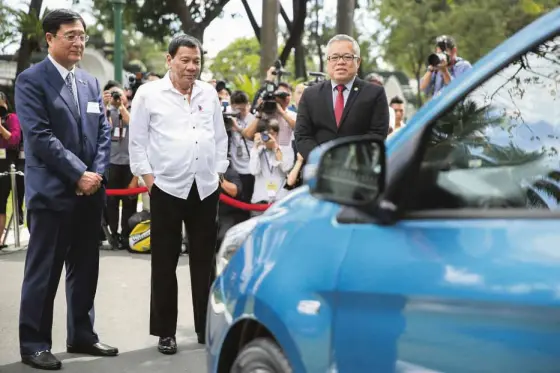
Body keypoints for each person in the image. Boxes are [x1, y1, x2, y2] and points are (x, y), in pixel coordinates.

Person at [14, 8, 117, 370]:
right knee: (44, 272)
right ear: (50, 39)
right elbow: (40, 137)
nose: (78, 42)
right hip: (52, 194)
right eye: (71, 35)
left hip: (90, 193)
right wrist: (78, 174)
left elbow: (102, 133)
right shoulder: (31, 80)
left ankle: (82, 335)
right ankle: (34, 344)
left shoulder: (89, 82)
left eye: (82, 35)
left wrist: (96, 174)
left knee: (86, 267)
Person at [129, 34, 228, 354]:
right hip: (167, 188)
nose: (191, 67)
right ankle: (165, 332)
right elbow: (138, 141)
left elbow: (220, 135)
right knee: (164, 261)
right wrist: (149, 179)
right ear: (169, 60)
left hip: (205, 187)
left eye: (196, 61)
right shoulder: (148, 94)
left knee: (204, 262)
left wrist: (219, 171)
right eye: (184, 60)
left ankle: (206, 328)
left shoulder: (208, 93)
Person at [295, 34, 390, 160]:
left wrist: (349, 161)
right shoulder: (310, 94)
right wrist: (322, 159)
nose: (340, 62)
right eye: (334, 57)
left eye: (347, 57)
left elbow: (377, 135)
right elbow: (302, 135)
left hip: (358, 171)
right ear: (327, 62)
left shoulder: (374, 93)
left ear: (358, 62)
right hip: (319, 170)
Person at [0, 92, 22, 249]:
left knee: (1, 202)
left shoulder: (12, 118)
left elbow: (14, 139)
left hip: (6, 162)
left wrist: (0, 128)